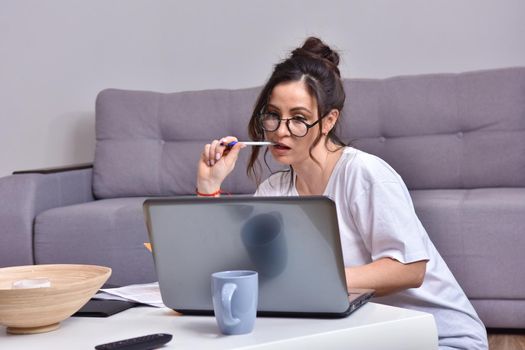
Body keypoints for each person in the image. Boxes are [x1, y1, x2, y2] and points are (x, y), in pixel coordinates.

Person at [196, 37, 488, 350]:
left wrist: (316, 281)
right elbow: (238, 268)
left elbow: (410, 269)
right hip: (360, 336)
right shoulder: (274, 190)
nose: (280, 130)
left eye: (298, 118)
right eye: (273, 115)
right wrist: (209, 187)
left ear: (328, 120)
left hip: (439, 338)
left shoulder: (365, 174)